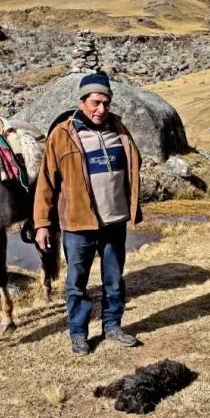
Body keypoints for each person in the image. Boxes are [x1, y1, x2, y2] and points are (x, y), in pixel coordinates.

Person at [33, 72, 143, 356]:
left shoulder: (119, 129)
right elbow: (46, 181)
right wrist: (43, 223)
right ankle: (79, 333)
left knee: (114, 279)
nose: (101, 109)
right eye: (95, 102)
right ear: (82, 102)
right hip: (78, 224)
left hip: (114, 222)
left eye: (105, 103)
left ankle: (113, 326)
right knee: (76, 284)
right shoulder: (62, 134)